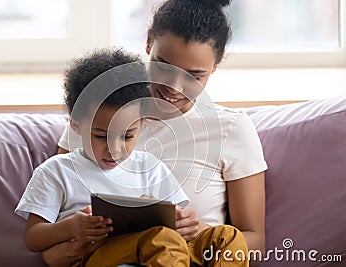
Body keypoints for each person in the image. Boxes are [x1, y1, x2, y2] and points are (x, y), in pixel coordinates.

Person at [48, 0, 267, 266]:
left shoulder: (231, 129)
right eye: (163, 66)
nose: (174, 88)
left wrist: (195, 232)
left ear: (216, 65)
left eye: (194, 76)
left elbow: (254, 243)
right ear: (149, 41)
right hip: (111, 257)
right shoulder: (98, 115)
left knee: (225, 238)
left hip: (195, 257)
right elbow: (51, 241)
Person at [15, 48, 193, 266]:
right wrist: (70, 227)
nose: (114, 149)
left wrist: (184, 221)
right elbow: (32, 238)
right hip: (98, 256)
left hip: (155, 255)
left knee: (223, 239)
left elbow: (176, 220)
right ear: (76, 126)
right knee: (162, 240)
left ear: (142, 124)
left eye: (127, 136)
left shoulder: (151, 168)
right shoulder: (56, 171)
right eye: (100, 136)